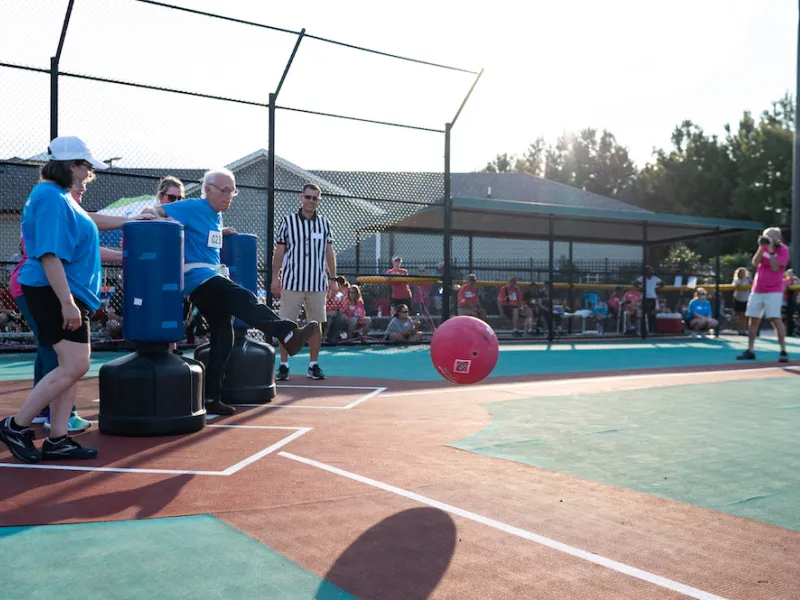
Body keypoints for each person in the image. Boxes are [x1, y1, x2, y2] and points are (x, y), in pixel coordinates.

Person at [0, 136, 158, 463]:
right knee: (75, 364)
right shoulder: (49, 197)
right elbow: (48, 255)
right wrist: (66, 302)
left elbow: (89, 225)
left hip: (71, 292)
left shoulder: (61, 197)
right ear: (70, 165)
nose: (89, 173)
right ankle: (15, 426)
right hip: (54, 290)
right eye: (86, 166)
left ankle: (58, 438)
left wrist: (132, 222)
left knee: (70, 367)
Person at [142, 169, 319, 415]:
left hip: (209, 279)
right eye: (224, 191)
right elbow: (153, 211)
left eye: (232, 192)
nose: (229, 196)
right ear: (208, 190)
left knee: (224, 336)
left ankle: (212, 397)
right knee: (243, 297)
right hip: (199, 279)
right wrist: (153, 217)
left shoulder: (215, 215)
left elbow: (202, 236)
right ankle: (287, 333)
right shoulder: (192, 206)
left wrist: (222, 233)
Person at [271, 183, 336, 382]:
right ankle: (283, 366)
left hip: (317, 284)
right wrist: (275, 278)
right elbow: (279, 252)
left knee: (315, 324)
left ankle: (313, 365)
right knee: (285, 324)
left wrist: (333, 279)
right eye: (308, 197)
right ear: (301, 197)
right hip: (292, 283)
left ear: (319, 200)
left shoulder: (324, 224)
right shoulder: (288, 221)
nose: (311, 201)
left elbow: (329, 252)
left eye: (315, 198)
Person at [737, 227, 790, 362]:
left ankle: (783, 351)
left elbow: (775, 267)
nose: (766, 238)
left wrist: (771, 250)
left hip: (773, 290)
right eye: (765, 236)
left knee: (775, 319)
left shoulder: (783, 250)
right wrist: (761, 248)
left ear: (777, 238)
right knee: (753, 318)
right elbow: (755, 262)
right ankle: (750, 350)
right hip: (757, 289)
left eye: (769, 236)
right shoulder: (763, 248)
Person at [633, 265, 664, 332]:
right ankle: (643, 328)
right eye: (650, 271)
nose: (651, 272)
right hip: (644, 297)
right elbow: (634, 283)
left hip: (652, 297)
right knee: (644, 313)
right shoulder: (642, 278)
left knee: (652, 313)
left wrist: (657, 288)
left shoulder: (655, 278)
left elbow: (663, 284)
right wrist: (640, 288)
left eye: (652, 271)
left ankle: (651, 328)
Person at [731, 267, 752, 335]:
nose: (742, 274)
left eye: (744, 272)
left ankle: (744, 330)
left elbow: (753, 284)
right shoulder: (736, 280)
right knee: (740, 316)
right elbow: (734, 286)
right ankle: (740, 330)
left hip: (746, 299)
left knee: (745, 316)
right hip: (738, 299)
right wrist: (741, 280)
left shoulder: (747, 280)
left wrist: (749, 279)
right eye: (741, 273)